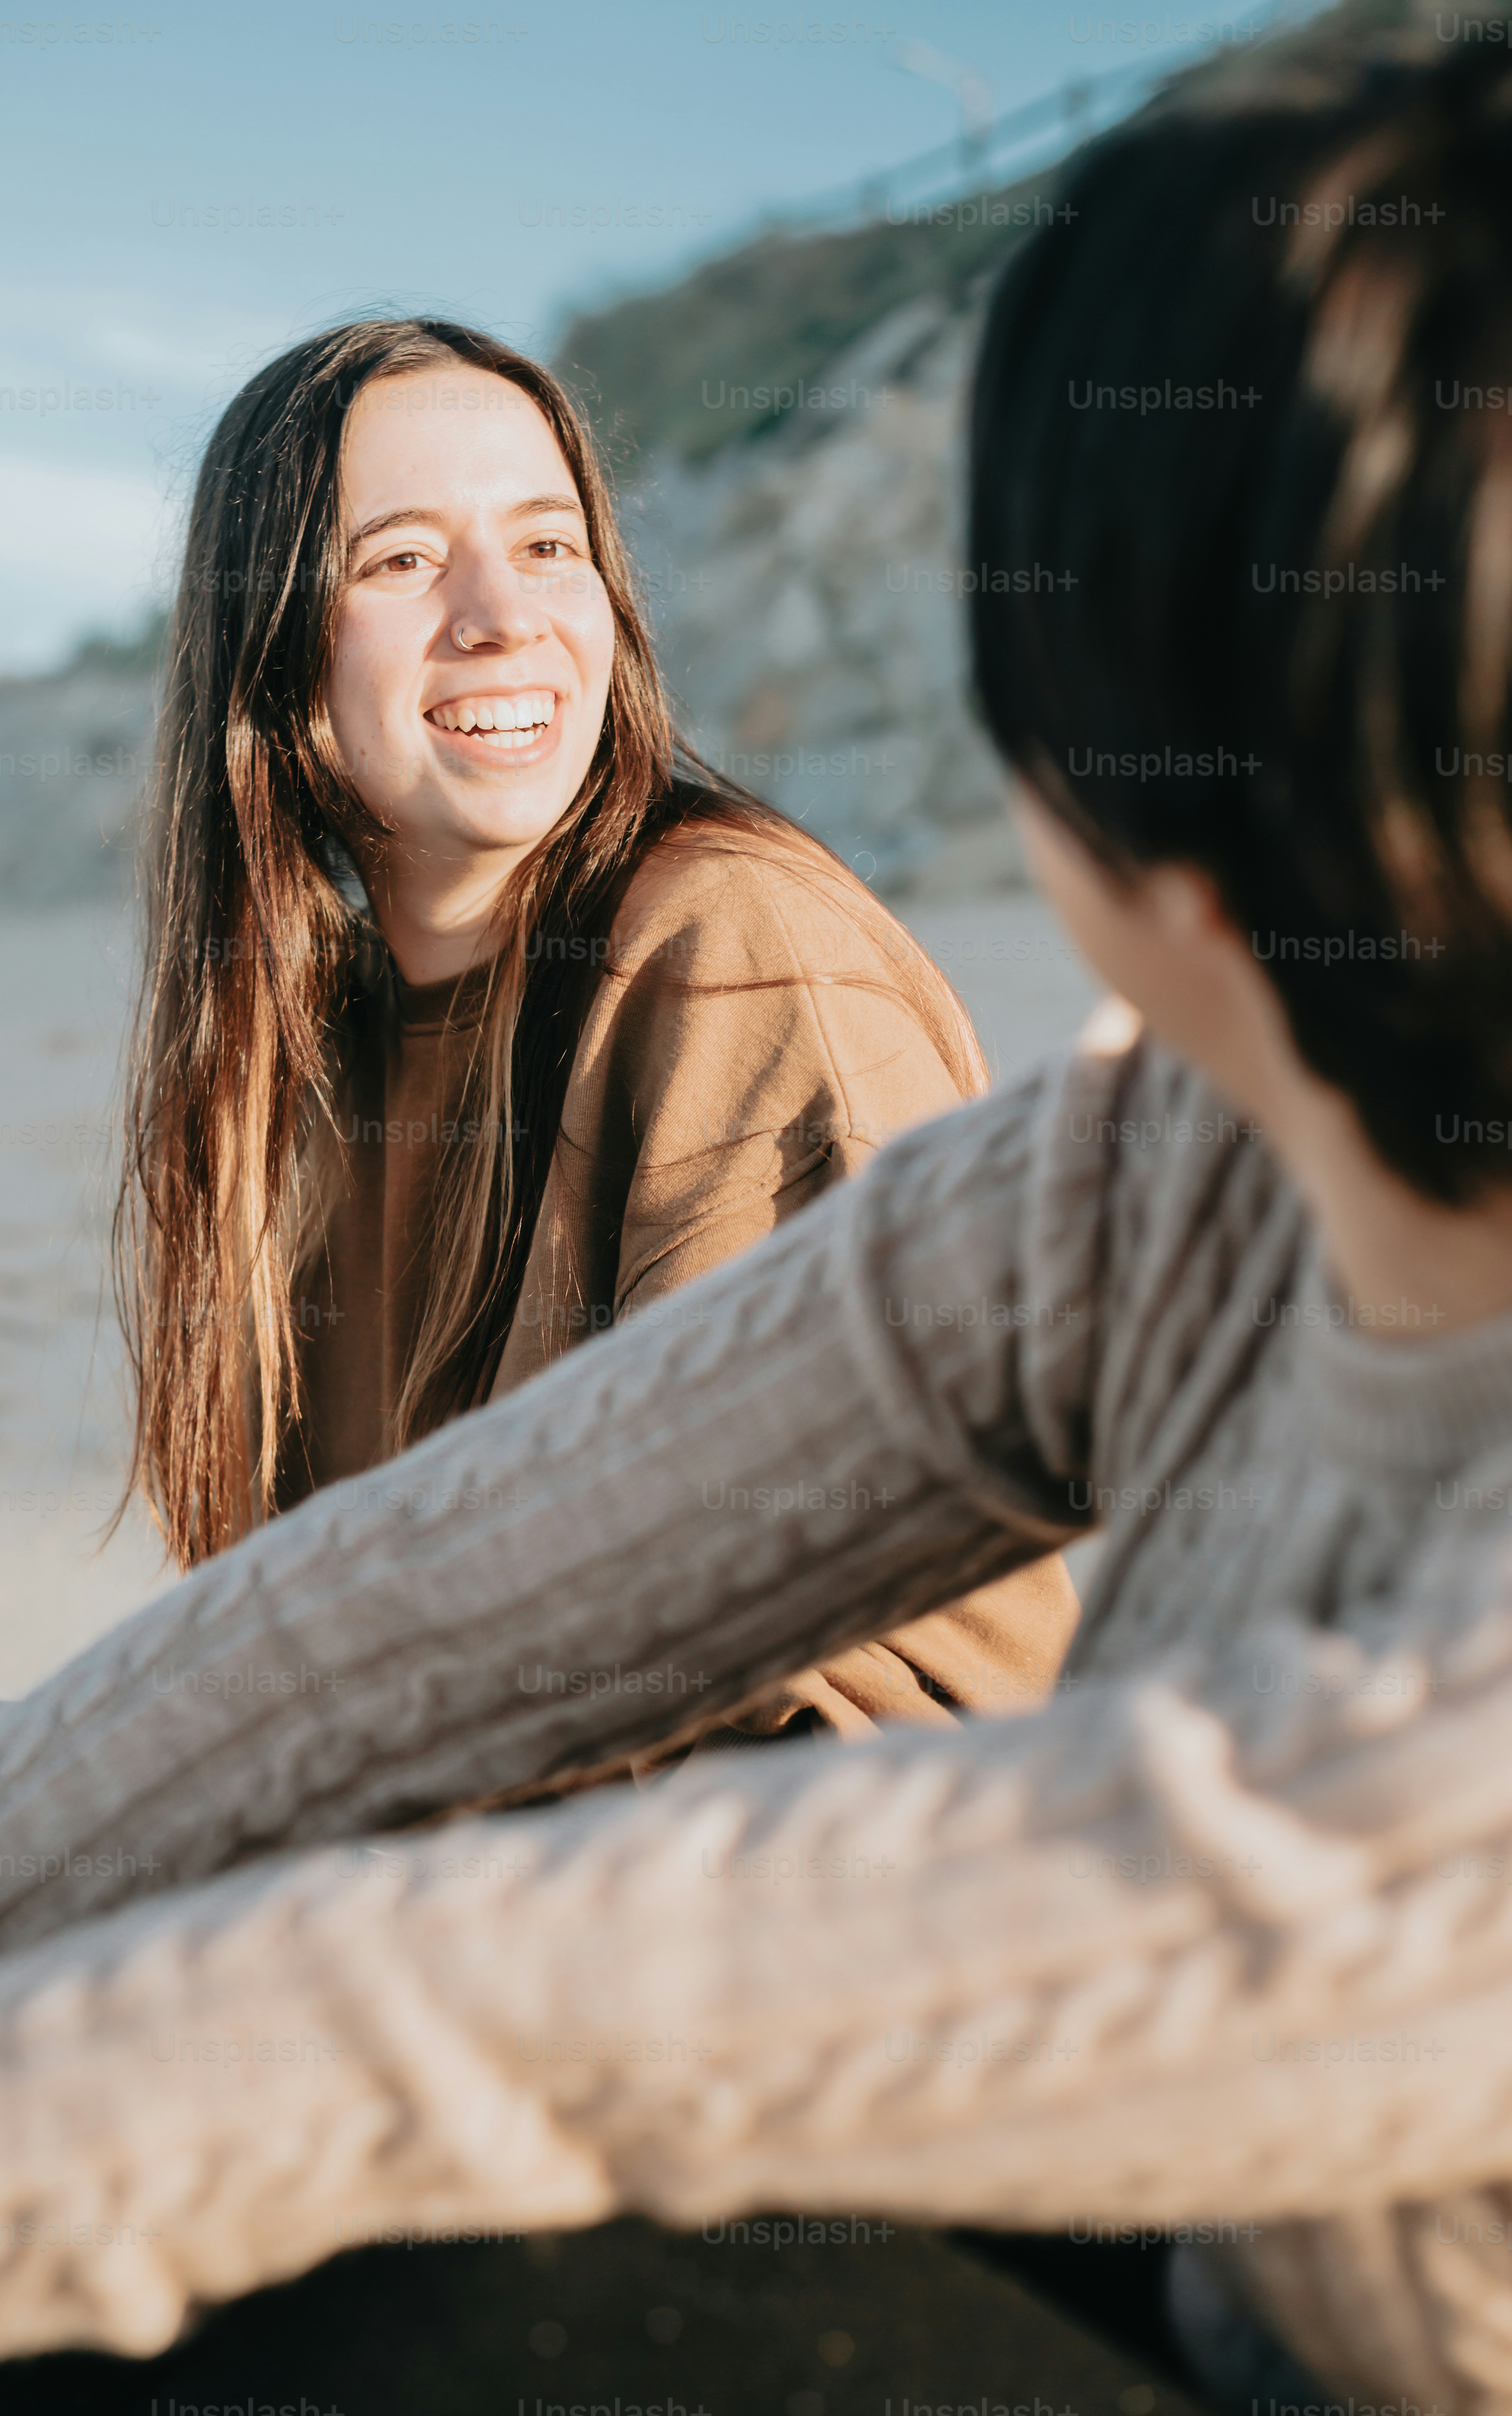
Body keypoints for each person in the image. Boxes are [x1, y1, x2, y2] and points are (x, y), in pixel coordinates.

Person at [0, 21, 1512, 2416]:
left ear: (1095, 767)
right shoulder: (1144, 1185)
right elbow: (386, 1626)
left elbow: (480, 2020)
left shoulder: (750, 940)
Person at [111, 313, 1076, 1737]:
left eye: (549, 544)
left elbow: (838, 1685)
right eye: (401, 559)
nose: (505, 617)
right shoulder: (309, 1046)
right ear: (273, 644)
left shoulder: (734, 953)